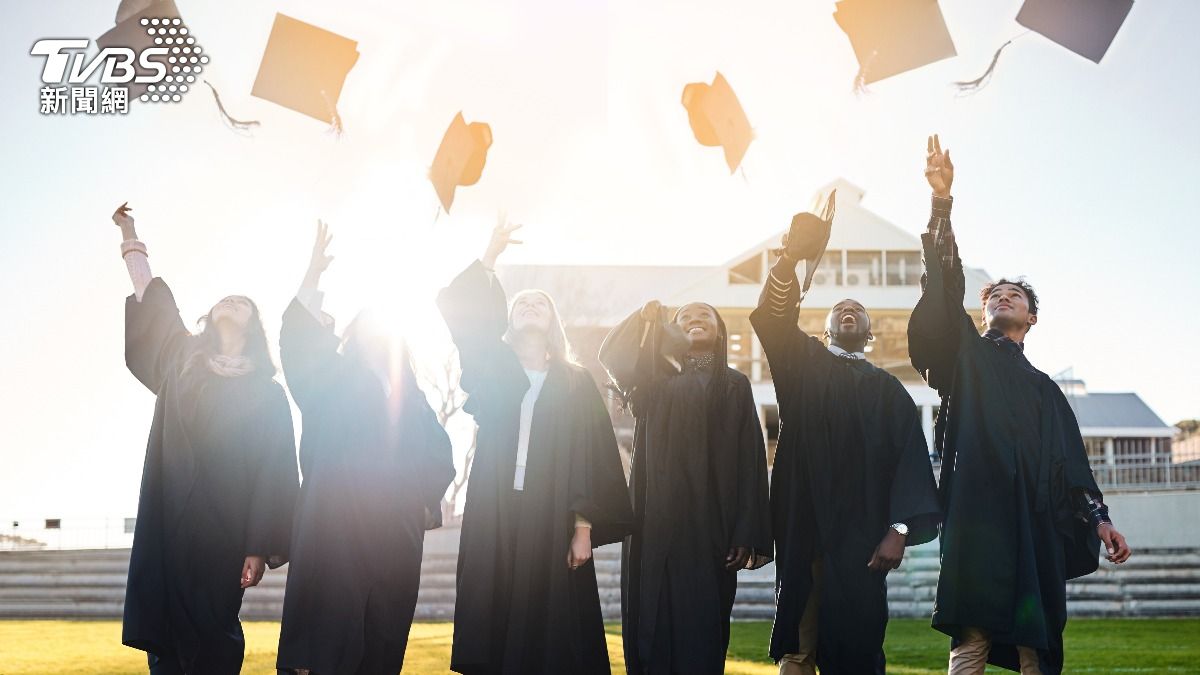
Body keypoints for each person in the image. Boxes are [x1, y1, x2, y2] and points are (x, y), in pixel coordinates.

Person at [908, 135, 1133, 675]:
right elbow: (943, 287)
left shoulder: (1046, 391)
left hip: (1034, 521)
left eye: (1015, 295)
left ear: (1032, 317)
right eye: (994, 295)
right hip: (977, 513)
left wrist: (1099, 519)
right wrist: (942, 203)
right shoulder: (966, 358)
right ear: (983, 312)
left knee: (1037, 640)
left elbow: (1071, 463)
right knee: (972, 633)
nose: (1003, 296)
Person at [750, 207, 941, 675]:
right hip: (806, 526)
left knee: (856, 647)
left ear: (870, 333)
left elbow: (910, 462)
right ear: (827, 328)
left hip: (862, 539)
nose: (849, 310)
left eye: (858, 310)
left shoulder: (888, 390)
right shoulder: (803, 365)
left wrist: (898, 530)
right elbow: (773, 320)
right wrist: (790, 260)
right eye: (840, 309)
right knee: (798, 642)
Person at [438, 221, 634, 675]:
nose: (530, 306)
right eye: (522, 303)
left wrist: (584, 526)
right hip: (495, 506)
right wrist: (488, 257)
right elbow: (463, 321)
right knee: (495, 602)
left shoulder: (575, 381)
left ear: (553, 323)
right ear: (508, 320)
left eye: (540, 304)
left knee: (553, 624)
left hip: (553, 511)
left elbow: (593, 456)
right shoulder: (494, 370)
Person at [114, 202, 299, 674]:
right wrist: (131, 236)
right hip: (171, 518)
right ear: (209, 315)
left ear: (255, 326)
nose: (231, 301)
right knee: (167, 635)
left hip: (225, 529)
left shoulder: (266, 393)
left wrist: (257, 544)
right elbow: (153, 303)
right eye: (224, 298)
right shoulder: (182, 362)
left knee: (214, 631)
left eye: (243, 301)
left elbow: (273, 470)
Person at [276, 220, 455, 675]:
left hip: (394, 536)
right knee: (327, 645)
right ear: (352, 333)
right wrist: (313, 276)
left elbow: (439, 457)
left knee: (382, 642)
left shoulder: (411, 396)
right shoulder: (331, 377)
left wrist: (416, 508)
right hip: (334, 527)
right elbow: (299, 345)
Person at [602, 297, 773, 675]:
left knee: (704, 630)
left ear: (720, 331)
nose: (696, 320)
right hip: (655, 524)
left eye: (705, 316)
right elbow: (613, 356)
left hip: (713, 528)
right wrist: (645, 319)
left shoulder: (735, 385)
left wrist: (744, 530)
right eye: (685, 317)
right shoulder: (652, 382)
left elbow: (750, 461)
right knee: (653, 622)